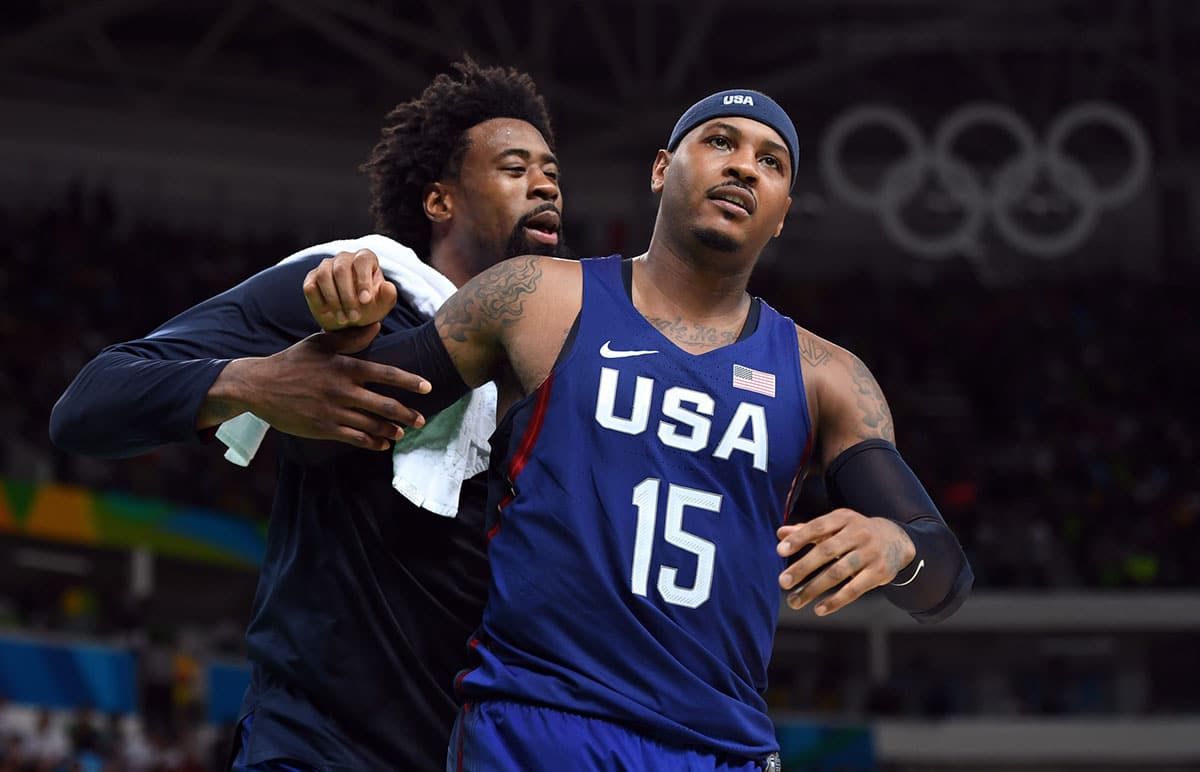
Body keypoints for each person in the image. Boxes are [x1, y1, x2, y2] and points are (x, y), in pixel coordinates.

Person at [308, 89, 973, 770]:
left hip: (720, 748)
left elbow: (944, 578)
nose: (744, 167)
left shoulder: (825, 376)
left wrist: (895, 544)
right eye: (720, 142)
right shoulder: (537, 296)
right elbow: (355, 401)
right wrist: (342, 329)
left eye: (770, 161)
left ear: (781, 217)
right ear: (661, 168)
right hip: (536, 724)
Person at [49, 58, 565, 770]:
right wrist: (260, 382)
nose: (544, 185)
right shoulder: (352, 283)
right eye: (515, 168)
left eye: (552, 174)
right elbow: (90, 402)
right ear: (440, 200)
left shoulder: (569, 360)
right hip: (317, 745)